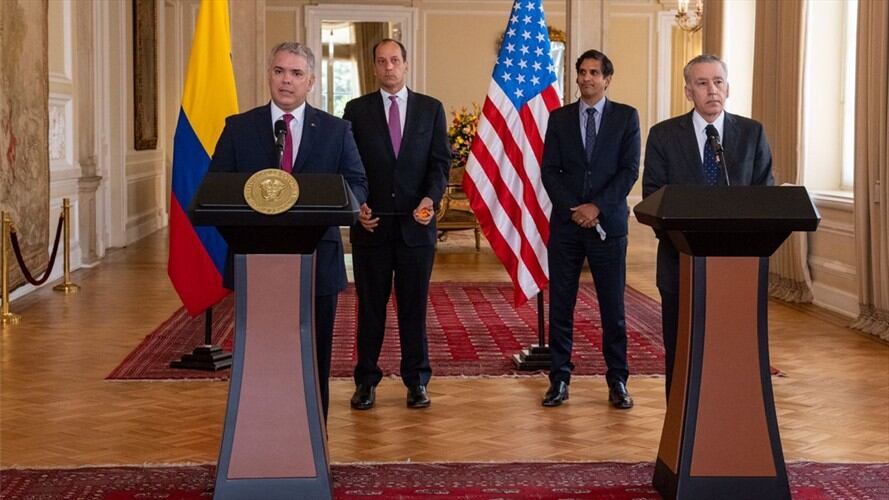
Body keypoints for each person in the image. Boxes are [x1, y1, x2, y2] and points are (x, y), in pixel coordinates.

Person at [208, 42, 369, 420]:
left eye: (296, 74)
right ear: (269, 75)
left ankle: (315, 440)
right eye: (280, 71)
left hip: (317, 261)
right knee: (261, 355)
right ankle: (260, 434)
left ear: (310, 81)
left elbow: (358, 183)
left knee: (314, 355)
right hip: (256, 260)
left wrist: (333, 207)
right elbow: (215, 188)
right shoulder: (239, 128)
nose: (286, 80)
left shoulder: (335, 130)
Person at [642, 54, 774, 398]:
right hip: (680, 265)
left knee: (733, 352)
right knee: (683, 349)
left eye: (718, 82)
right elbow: (652, 198)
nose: (711, 90)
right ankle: (680, 428)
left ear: (728, 88)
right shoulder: (664, 136)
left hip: (738, 270)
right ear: (689, 92)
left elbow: (765, 196)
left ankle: (731, 419)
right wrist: (691, 241)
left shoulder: (751, 134)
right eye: (702, 83)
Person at [343, 38, 450, 410]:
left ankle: (416, 381)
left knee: (413, 308)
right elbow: (348, 166)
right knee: (370, 308)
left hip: (416, 228)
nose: (388, 67)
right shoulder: (355, 110)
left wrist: (430, 200)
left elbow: (440, 164)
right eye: (381, 61)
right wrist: (357, 206)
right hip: (371, 227)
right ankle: (366, 380)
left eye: (394, 60)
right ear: (373, 67)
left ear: (406, 65)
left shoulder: (430, 109)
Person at [540, 49, 641, 409]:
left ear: (607, 79)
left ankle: (617, 381)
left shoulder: (626, 117)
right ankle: (560, 380)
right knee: (561, 306)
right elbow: (549, 170)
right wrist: (575, 210)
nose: (586, 78)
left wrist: (596, 206)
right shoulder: (559, 118)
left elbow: (629, 170)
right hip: (567, 228)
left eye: (594, 72)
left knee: (612, 308)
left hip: (608, 226)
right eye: (582, 72)